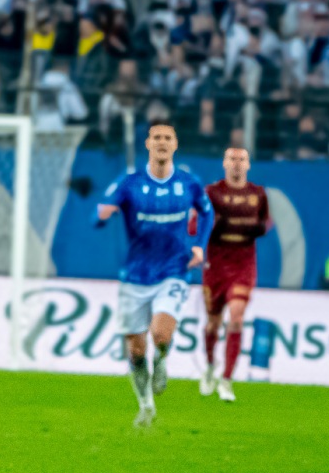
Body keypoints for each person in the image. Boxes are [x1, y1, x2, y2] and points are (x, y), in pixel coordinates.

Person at [97, 122, 215, 427]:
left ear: (175, 144)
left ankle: (161, 359)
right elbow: (100, 210)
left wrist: (199, 246)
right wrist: (104, 214)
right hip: (135, 275)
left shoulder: (188, 183)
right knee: (136, 350)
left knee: (161, 333)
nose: (162, 142)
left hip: (173, 270)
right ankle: (146, 405)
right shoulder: (130, 183)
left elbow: (207, 212)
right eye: (156, 137)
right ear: (147, 144)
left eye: (167, 138)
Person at [201, 148, 271, 402]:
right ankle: (210, 365)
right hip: (216, 266)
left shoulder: (257, 194)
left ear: (248, 165)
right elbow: (195, 224)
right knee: (213, 322)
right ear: (224, 163)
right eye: (232, 159)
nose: (237, 164)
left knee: (237, 317)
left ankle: (227, 379)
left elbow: (266, 223)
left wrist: (258, 228)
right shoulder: (212, 193)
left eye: (242, 159)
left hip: (243, 265)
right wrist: (211, 225)